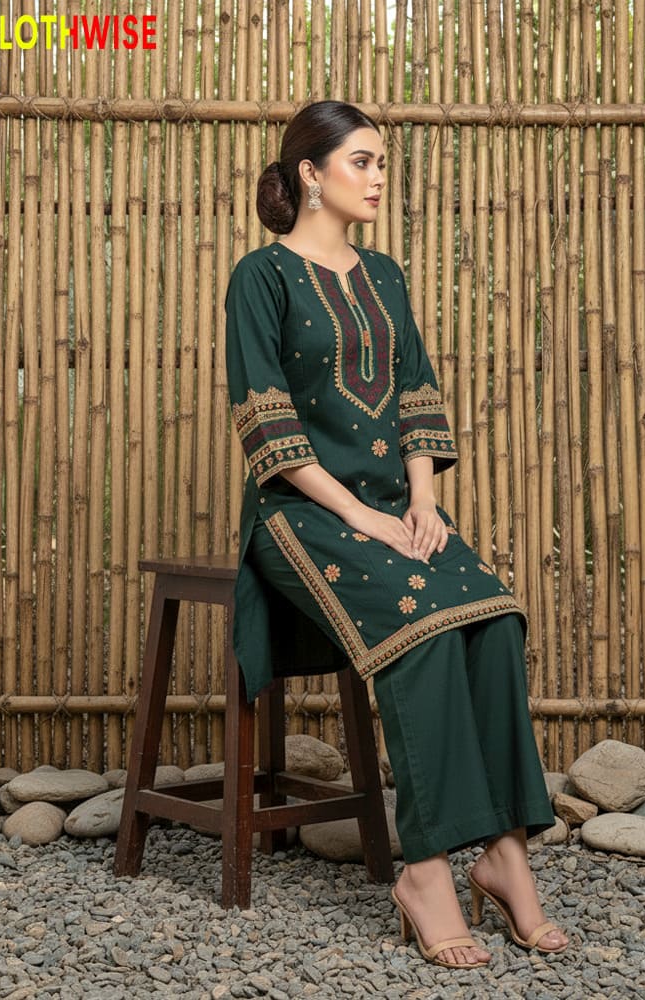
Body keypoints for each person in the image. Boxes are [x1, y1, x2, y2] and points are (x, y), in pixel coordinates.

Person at [225, 99, 569, 969]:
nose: (379, 179)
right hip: (303, 515)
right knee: (415, 632)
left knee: (491, 613)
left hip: (395, 508)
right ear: (311, 172)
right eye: (363, 162)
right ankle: (424, 871)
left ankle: (504, 855)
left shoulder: (386, 276)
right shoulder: (260, 278)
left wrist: (420, 504)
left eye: (383, 164)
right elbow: (268, 427)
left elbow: (417, 392)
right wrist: (362, 514)